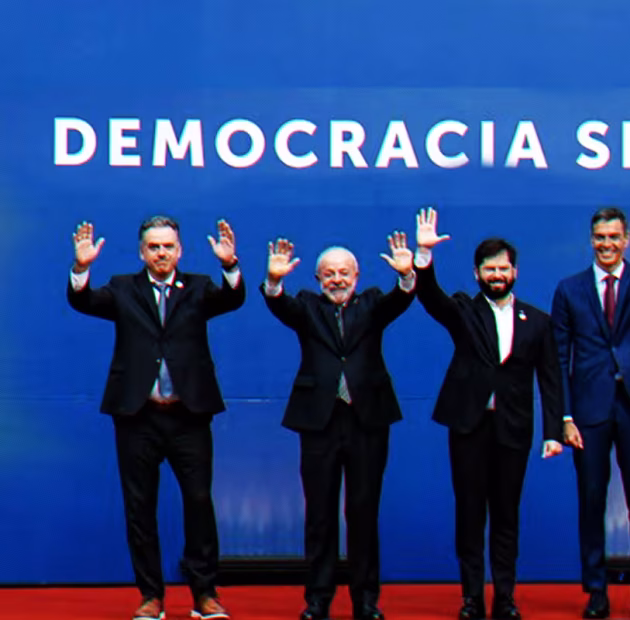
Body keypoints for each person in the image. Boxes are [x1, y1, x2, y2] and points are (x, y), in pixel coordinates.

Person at [68, 216, 245, 620]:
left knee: (199, 503)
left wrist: (230, 264)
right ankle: (151, 597)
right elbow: (82, 300)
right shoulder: (122, 288)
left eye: (168, 246)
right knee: (140, 507)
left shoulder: (199, 287)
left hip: (189, 415)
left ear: (179, 251)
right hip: (137, 416)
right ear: (142, 252)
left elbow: (233, 298)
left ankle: (204, 595)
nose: (161, 253)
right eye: (154, 247)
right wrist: (81, 267)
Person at [413, 207, 569, 620]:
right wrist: (424, 257)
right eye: (489, 269)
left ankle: (504, 598)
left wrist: (554, 431)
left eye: (503, 268)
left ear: (515, 272)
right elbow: (430, 298)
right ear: (477, 273)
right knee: (469, 515)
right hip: (468, 428)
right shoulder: (464, 309)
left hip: (513, 431)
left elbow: (551, 381)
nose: (496, 275)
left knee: (506, 517)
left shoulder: (537, 321)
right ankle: (470, 599)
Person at [260, 232, 416, 620]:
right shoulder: (307, 308)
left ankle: (365, 600)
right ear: (316, 278)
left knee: (364, 512)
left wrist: (408, 274)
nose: (337, 280)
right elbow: (278, 305)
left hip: (368, 421)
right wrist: (275, 281)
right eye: (328, 274)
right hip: (319, 422)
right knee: (320, 514)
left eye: (344, 273)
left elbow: (403, 298)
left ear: (357, 275)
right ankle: (318, 600)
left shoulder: (374, 304)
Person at [550, 207, 630, 619]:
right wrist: (564, 417)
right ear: (592, 239)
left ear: (627, 240)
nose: (607, 244)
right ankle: (596, 591)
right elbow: (558, 357)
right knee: (590, 500)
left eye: (614, 237)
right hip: (588, 410)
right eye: (600, 237)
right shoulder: (569, 289)